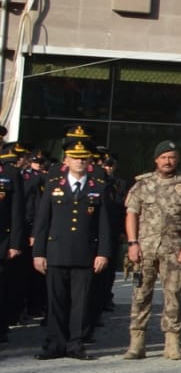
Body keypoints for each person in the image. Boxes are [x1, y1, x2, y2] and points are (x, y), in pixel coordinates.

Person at [32, 141, 116, 359]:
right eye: (75, 157)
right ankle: (55, 343)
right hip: (56, 251)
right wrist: (38, 253)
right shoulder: (54, 185)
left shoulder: (98, 187)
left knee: (81, 302)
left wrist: (103, 253)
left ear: (89, 161)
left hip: (85, 253)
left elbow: (105, 225)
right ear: (66, 160)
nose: (79, 161)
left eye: (83, 158)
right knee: (56, 301)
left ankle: (76, 344)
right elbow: (42, 222)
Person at [122, 143, 181, 360]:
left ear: (177, 159)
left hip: (174, 250)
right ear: (156, 159)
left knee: (173, 295)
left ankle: (172, 342)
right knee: (140, 295)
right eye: (163, 157)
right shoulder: (143, 184)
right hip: (144, 249)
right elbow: (132, 214)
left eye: (171, 157)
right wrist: (132, 243)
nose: (167, 161)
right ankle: (137, 342)